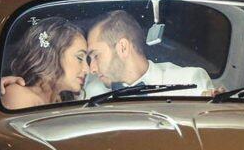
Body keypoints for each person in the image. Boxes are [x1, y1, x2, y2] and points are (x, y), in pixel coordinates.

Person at [83, 9, 214, 97]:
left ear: (122, 47)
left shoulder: (189, 81)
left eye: (96, 56)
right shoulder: (93, 93)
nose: (92, 69)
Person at [1, 17, 88, 109]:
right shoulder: (19, 95)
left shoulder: (64, 101)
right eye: (79, 58)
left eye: (87, 60)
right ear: (52, 55)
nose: (87, 69)